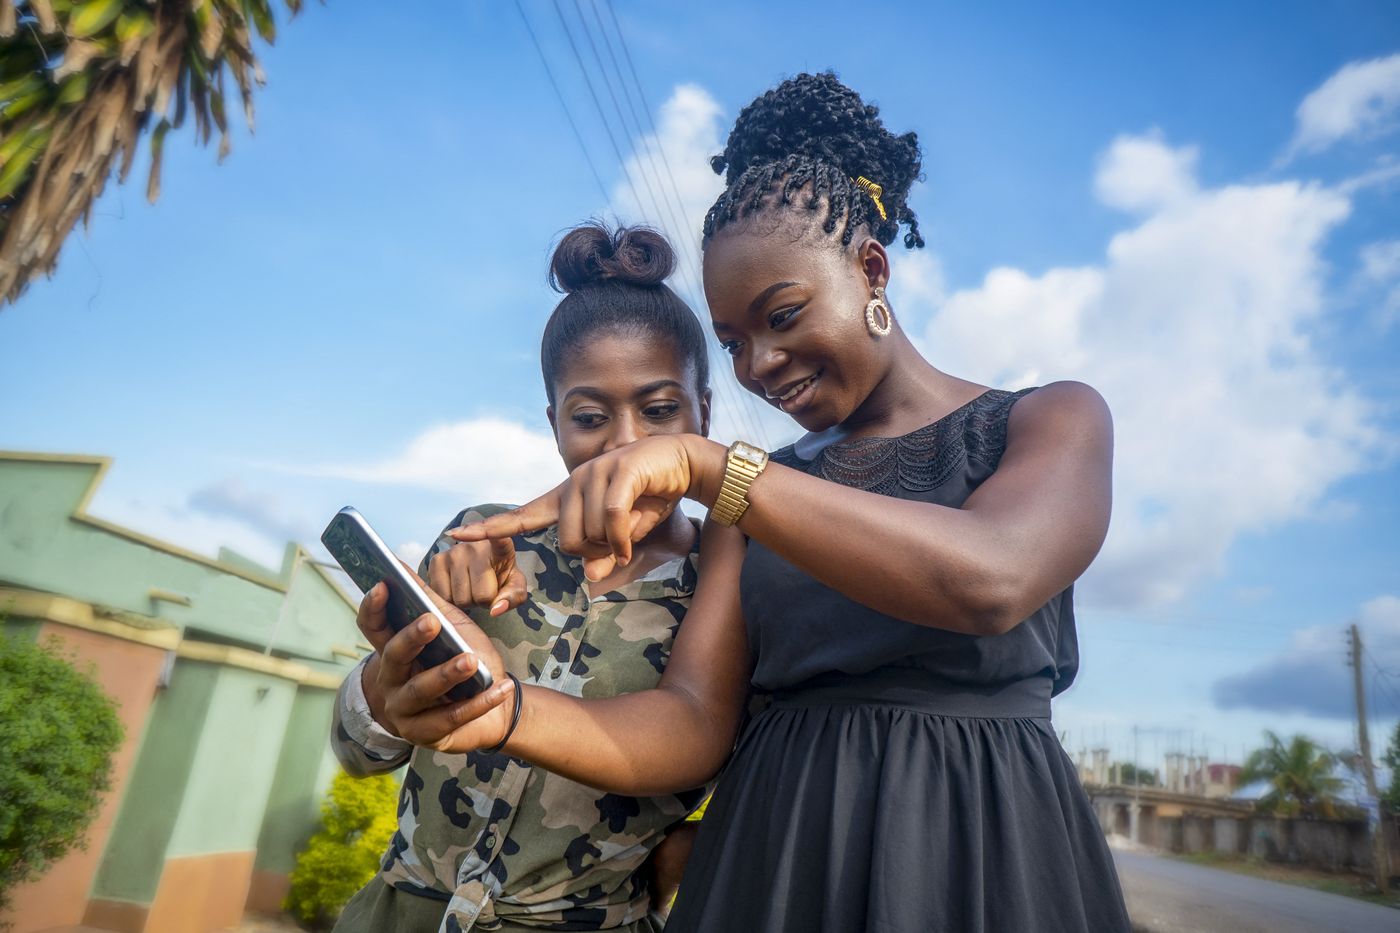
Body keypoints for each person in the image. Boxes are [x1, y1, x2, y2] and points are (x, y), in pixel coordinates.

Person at [382, 73, 1132, 932]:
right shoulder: (759, 495)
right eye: (734, 341)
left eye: (782, 315)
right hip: (774, 855)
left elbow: (991, 577)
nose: (760, 365)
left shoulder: (1049, 419)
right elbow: (694, 716)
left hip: (980, 842)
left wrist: (714, 471)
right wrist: (505, 706)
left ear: (872, 269)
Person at [330, 222, 713, 933]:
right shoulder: (482, 541)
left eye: (660, 409)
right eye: (591, 416)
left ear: (705, 412)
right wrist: (391, 681)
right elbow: (356, 754)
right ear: (554, 423)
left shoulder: (726, 593)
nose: (626, 445)